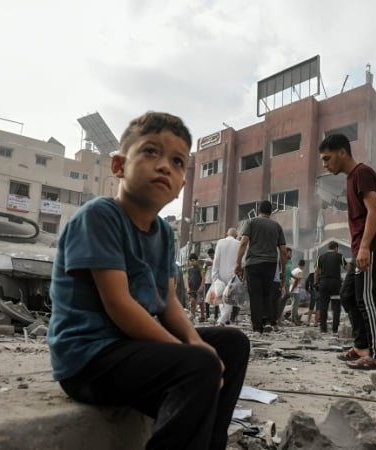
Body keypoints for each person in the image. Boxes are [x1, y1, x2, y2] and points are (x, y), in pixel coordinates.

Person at [47, 111, 249, 450]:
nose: (164, 165)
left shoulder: (164, 234)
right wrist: (188, 351)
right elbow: (119, 305)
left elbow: (169, 302)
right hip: (89, 360)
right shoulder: (99, 216)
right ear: (119, 166)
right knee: (199, 364)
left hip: (131, 350)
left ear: (182, 185)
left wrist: (192, 340)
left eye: (176, 161)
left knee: (233, 344)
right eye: (150, 152)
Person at [319, 133, 376, 371]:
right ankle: (361, 347)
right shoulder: (352, 177)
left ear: (342, 152)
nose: (325, 164)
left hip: (371, 247)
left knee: (367, 299)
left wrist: (364, 246)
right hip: (363, 248)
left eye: (327, 158)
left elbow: (374, 211)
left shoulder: (362, 173)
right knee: (348, 296)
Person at [235, 200, 287, 334]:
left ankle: (258, 326)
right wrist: (282, 269)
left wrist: (238, 263)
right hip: (270, 264)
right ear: (271, 212)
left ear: (259, 210)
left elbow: (243, 242)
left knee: (255, 295)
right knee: (267, 293)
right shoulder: (277, 226)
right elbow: (283, 250)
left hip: (253, 264)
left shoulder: (251, 222)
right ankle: (268, 321)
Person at [314, 241, 348, 333]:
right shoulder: (339, 256)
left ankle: (323, 328)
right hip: (335, 284)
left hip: (324, 283)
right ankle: (335, 328)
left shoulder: (320, 257)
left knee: (323, 305)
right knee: (336, 306)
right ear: (336, 248)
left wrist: (316, 283)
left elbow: (316, 271)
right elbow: (347, 267)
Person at [212, 228, 240, 326]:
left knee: (221, 298)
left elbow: (216, 259)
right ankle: (222, 320)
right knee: (229, 298)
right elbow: (242, 261)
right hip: (233, 275)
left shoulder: (220, 242)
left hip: (220, 274)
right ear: (236, 236)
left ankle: (222, 319)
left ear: (226, 234)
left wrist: (214, 276)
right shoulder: (238, 243)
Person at [277, 247, 294, 323]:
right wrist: (282, 284)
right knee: (283, 296)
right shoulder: (281, 261)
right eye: (290, 253)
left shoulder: (290, 262)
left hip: (287, 282)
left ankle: (279, 314)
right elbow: (281, 272)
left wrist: (295, 277)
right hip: (281, 282)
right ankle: (277, 316)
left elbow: (288, 272)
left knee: (287, 296)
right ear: (286, 253)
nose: (291, 255)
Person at [203, 248, 217, 322]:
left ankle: (216, 316)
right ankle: (207, 315)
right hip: (207, 282)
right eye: (210, 255)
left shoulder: (217, 260)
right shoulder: (207, 261)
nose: (211, 256)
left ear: (214, 253)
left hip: (215, 282)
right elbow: (203, 271)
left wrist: (212, 264)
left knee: (216, 298)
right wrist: (206, 266)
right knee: (207, 299)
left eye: (212, 254)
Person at [289, 259, 306, 324]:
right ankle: (293, 319)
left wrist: (291, 289)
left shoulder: (294, 270)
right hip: (295, 290)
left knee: (294, 304)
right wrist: (293, 289)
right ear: (303, 265)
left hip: (291, 289)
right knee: (295, 305)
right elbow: (296, 280)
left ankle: (295, 318)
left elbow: (290, 280)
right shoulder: (300, 271)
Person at [187, 253, 203, 322]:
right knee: (192, 302)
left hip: (199, 288)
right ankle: (192, 316)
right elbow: (187, 279)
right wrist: (188, 287)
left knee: (200, 302)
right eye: (190, 261)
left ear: (197, 260)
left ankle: (203, 316)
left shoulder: (200, 267)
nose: (191, 262)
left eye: (193, 260)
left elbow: (203, 278)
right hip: (192, 289)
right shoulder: (189, 269)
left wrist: (202, 286)